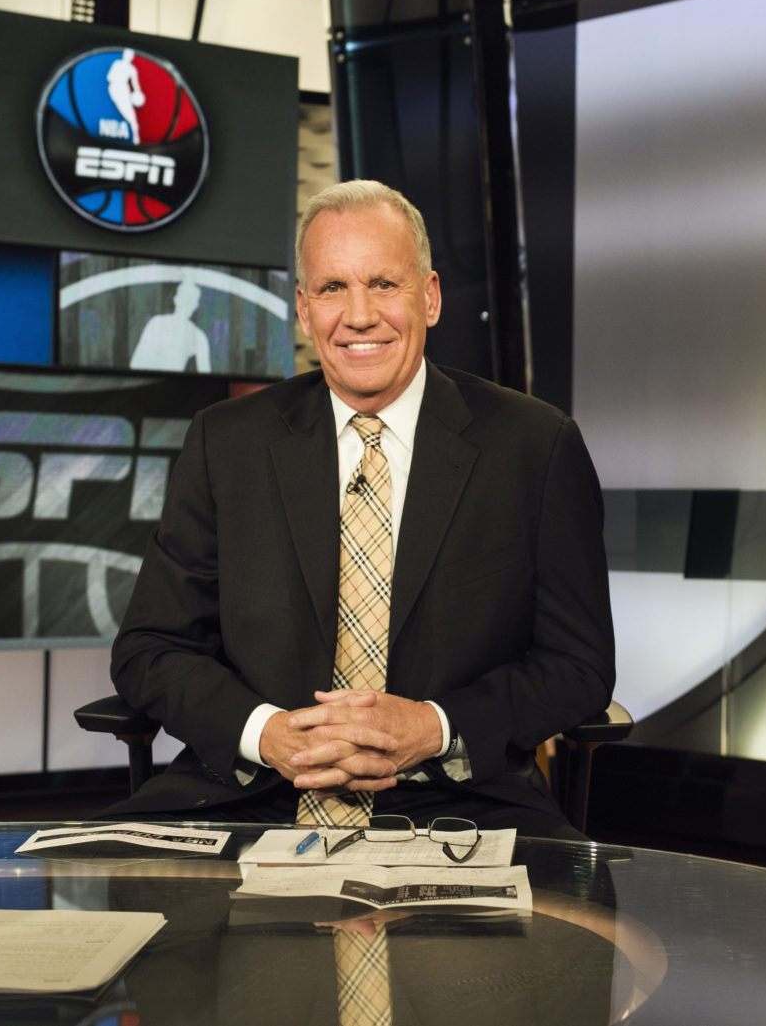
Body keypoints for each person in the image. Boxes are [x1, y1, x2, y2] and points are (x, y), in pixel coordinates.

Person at [104, 179, 614, 837]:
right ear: (304, 307)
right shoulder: (226, 441)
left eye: (383, 283)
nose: (359, 314)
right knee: (89, 912)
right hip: (248, 793)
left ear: (429, 297)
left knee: (568, 930)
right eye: (333, 288)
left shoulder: (534, 446)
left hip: (458, 798)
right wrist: (268, 734)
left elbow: (578, 666)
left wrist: (433, 726)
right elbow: (150, 647)